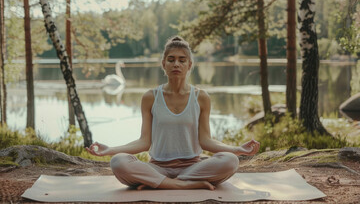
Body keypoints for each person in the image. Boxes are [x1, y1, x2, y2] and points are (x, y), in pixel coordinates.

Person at [86, 36, 260, 191]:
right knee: (118, 162)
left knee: (230, 160)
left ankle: (160, 183)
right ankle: (183, 185)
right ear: (164, 64)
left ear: (189, 65)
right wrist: (110, 150)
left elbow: (205, 141)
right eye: (171, 59)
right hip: (157, 167)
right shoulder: (150, 97)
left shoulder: (201, 97)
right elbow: (144, 142)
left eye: (182, 60)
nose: (176, 64)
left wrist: (236, 149)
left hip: (192, 168)